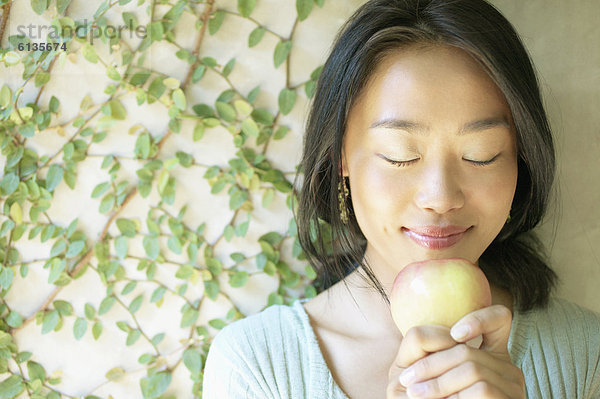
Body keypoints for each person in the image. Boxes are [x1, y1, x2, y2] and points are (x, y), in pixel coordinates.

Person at [202, 0, 600, 397]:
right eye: (400, 155)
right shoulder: (255, 365)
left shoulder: (584, 353)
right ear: (339, 156)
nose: (440, 198)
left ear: (521, 160)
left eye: (482, 154)